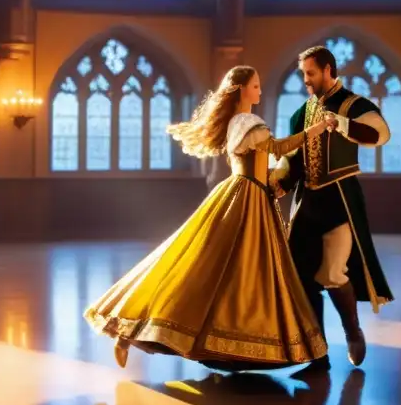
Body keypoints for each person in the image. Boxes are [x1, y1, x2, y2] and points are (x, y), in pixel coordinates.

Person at [84, 65, 330, 371]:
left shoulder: (241, 122)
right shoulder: (246, 121)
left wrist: (275, 181)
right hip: (246, 197)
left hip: (253, 194)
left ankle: (231, 343)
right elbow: (278, 148)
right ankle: (131, 329)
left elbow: (262, 162)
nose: (259, 91)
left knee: (230, 275)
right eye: (255, 85)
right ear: (241, 89)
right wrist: (317, 129)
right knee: (204, 269)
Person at [270, 45, 394, 371]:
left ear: (327, 70)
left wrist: (341, 123)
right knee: (301, 280)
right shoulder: (301, 113)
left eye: (310, 73)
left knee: (333, 273)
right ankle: (317, 353)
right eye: (303, 74)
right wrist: (279, 182)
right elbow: (292, 160)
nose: (306, 80)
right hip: (306, 204)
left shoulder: (354, 104)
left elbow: (380, 135)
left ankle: (352, 329)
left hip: (340, 202)